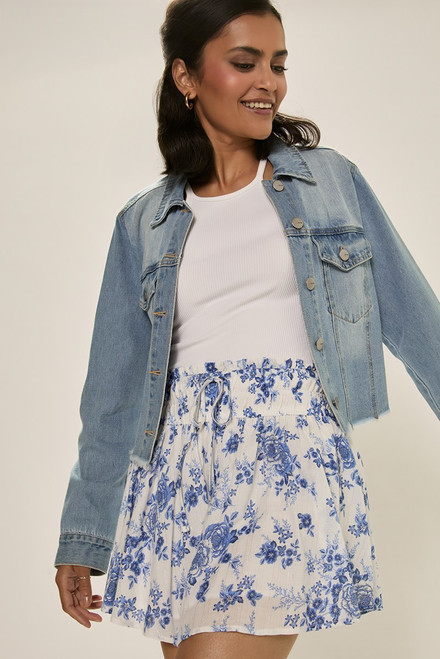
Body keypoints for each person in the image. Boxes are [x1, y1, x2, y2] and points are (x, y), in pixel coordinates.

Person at [54, 1, 440, 658]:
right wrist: (83, 532)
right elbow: (112, 391)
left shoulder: (329, 183)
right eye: (244, 62)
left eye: (277, 65)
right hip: (173, 479)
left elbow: (415, 317)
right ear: (186, 76)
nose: (269, 82)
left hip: (279, 462)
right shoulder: (143, 223)